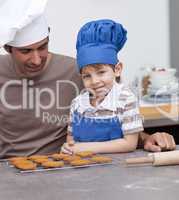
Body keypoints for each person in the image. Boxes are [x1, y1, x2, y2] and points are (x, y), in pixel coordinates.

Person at [0, 13, 175, 157]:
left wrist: (146, 139)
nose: (37, 59)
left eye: (43, 47)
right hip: (8, 170)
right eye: (26, 51)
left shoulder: (76, 71)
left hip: (63, 167)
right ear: (8, 48)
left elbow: (116, 121)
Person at [61, 19, 176, 154]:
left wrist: (84, 148)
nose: (94, 81)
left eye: (101, 72)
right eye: (87, 76)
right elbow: (71, 140)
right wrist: (68, 148)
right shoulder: (78, 104)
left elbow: (129, 144)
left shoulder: (125, 99)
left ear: (117, 69)